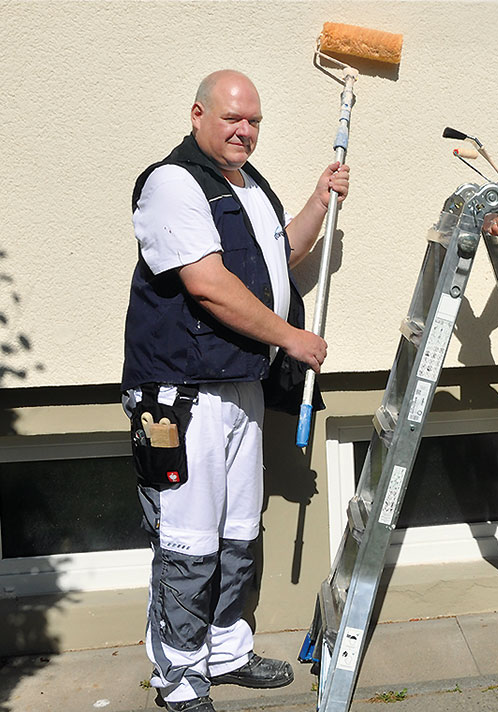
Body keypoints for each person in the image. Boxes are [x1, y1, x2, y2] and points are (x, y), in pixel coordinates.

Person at [121, 69, 349, 712]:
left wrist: (319, 200)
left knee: (238, 531)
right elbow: (207, 284)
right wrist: (292, 339)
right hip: (180, 393)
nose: (244, 131)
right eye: (231, 119)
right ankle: (180, 676)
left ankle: (226, 651)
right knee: (187, 538)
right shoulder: (173, 183)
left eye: (253, 121)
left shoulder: (249, 185)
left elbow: (286, 253)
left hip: (241, 383)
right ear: (198, 115)